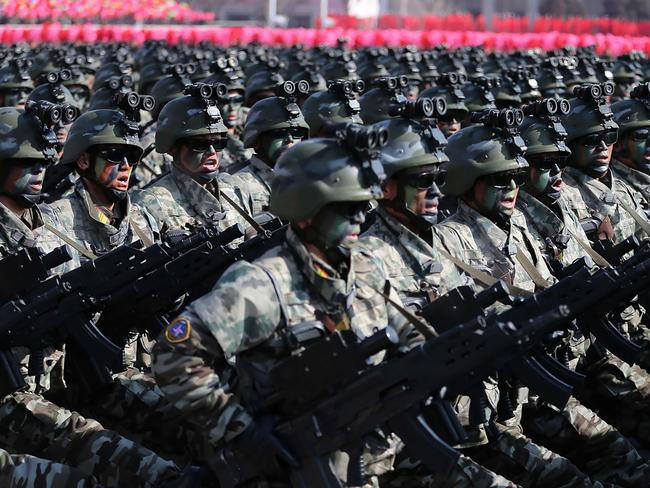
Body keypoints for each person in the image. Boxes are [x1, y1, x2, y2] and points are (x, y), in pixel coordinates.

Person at [152, 135, 423, 486]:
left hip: (376, 460)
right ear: (307, 213)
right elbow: (173, 352)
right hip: (299, 469)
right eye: (346, 208)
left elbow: (407, 332)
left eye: (364, 205)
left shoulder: (368, 268)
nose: (360, 217)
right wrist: (241, 431)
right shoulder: (263, 284)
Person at [433, 109, 594, 487]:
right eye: (499, 181)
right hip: (493, 403)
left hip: (538, 381)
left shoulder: (519, 222)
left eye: (517, 178)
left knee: (615, 449)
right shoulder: (447, 240)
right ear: (467, 181)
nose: (511, 189)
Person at [132, 85, 254, 238]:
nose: (211, 152)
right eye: (199, 145)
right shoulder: (151, 204)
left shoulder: (235, 189)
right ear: (172, 148)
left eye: (218, 143)